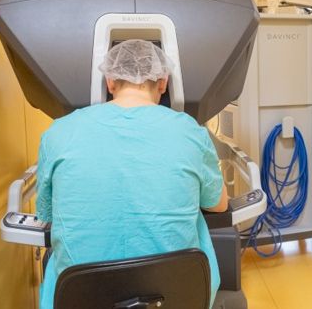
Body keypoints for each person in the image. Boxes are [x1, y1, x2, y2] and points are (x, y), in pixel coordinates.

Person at [35, 39, 228, 309]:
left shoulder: (58, 132)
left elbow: (46, 214)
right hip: (176, 295)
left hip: (81, 298)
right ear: (163, 83)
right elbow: (218, 204)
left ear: (110, 82)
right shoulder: (191, 132)